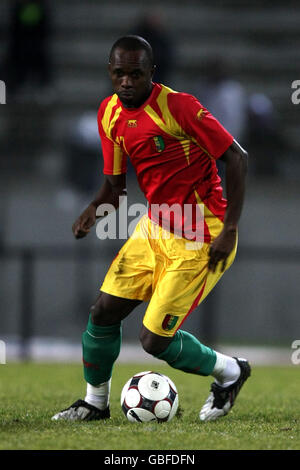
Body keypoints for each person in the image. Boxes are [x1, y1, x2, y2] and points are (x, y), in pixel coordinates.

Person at [52, 36, 250, 423]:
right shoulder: (108, 114)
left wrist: (230, 229)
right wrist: (94, 210)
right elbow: (115, 187)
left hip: (202, 234)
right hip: (155, 227)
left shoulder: (179, 107)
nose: (126, 81)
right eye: (119, 73)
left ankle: (230, 371)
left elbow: (236, 158)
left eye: (135, 74)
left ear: (150, 74)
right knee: (103, 312)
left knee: (153, 340)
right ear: (110, 72)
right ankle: (95, 403)